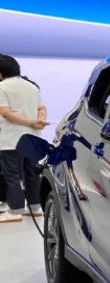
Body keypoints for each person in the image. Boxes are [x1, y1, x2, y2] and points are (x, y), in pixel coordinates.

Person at [0, 56, 47, 223]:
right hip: (32, 138)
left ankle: (15, 211)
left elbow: (5, 113)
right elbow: (42, 108)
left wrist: (30, 122)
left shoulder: (2, 87)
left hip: (12, 138)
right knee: (32, 173)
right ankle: (35, 207)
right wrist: (38, 121)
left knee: (12, 174)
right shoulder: (31, 86)